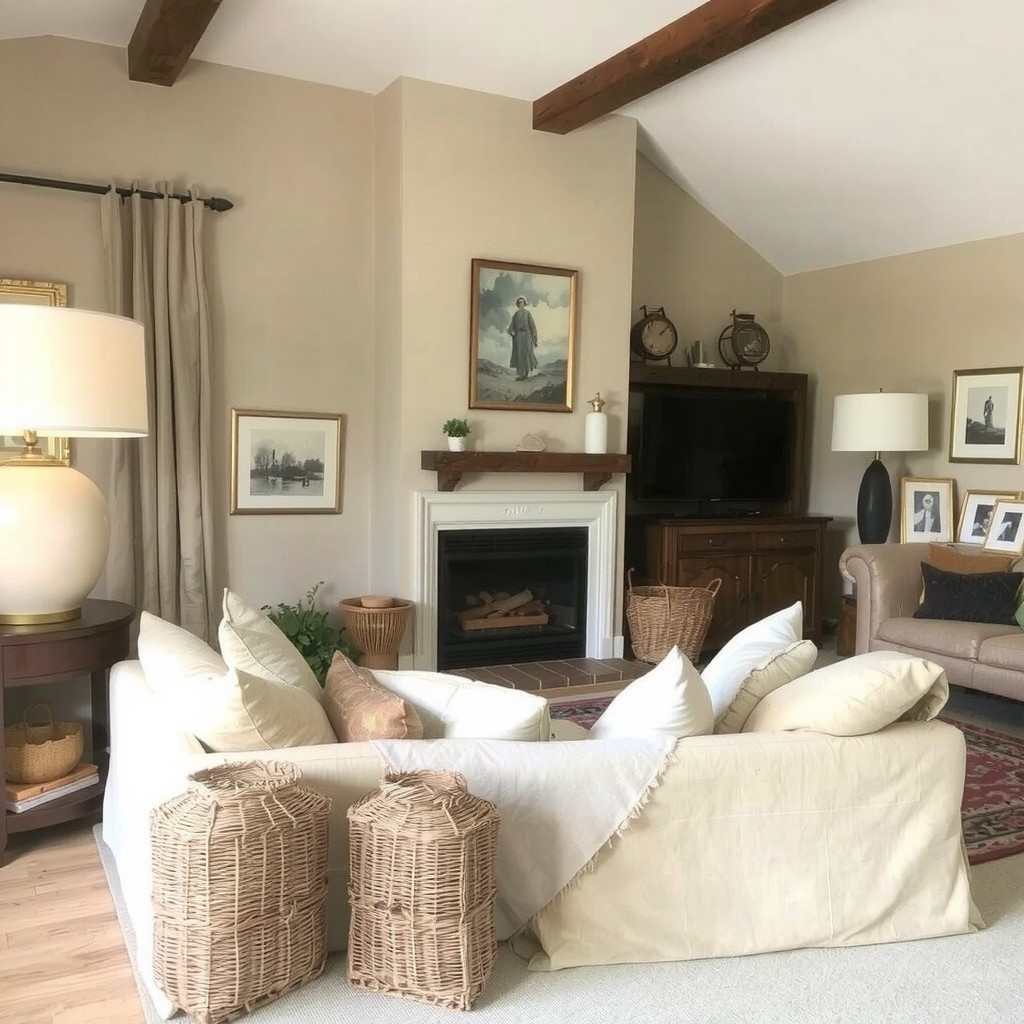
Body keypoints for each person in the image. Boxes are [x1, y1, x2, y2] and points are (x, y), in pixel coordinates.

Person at [506, 295, 538, 381]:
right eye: (519, 302)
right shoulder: (515, 315)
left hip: (527, 337)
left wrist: (535, 339)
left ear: (524, 303)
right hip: (518, 338)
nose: (521, 304)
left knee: (526, 354)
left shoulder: (528, 314)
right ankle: (521, 375)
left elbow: (532, 326)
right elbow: (510, 329)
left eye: (522, 302)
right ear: (518, 304)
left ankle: (526, 374)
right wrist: (513, 335)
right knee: (519, 355)